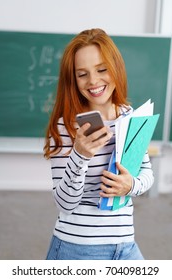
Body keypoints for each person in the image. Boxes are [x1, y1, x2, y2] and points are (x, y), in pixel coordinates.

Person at [44, 28, 154, 260]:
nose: (93, 81)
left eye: (102, 70)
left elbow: (147, 174)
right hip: (77, 248)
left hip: (125, 245)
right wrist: (80, 155)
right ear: (72, 79)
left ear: (116, 68)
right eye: (82, 74)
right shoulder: (66, 126)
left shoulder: (131, 117)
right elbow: (64, 203)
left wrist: (130, 185)